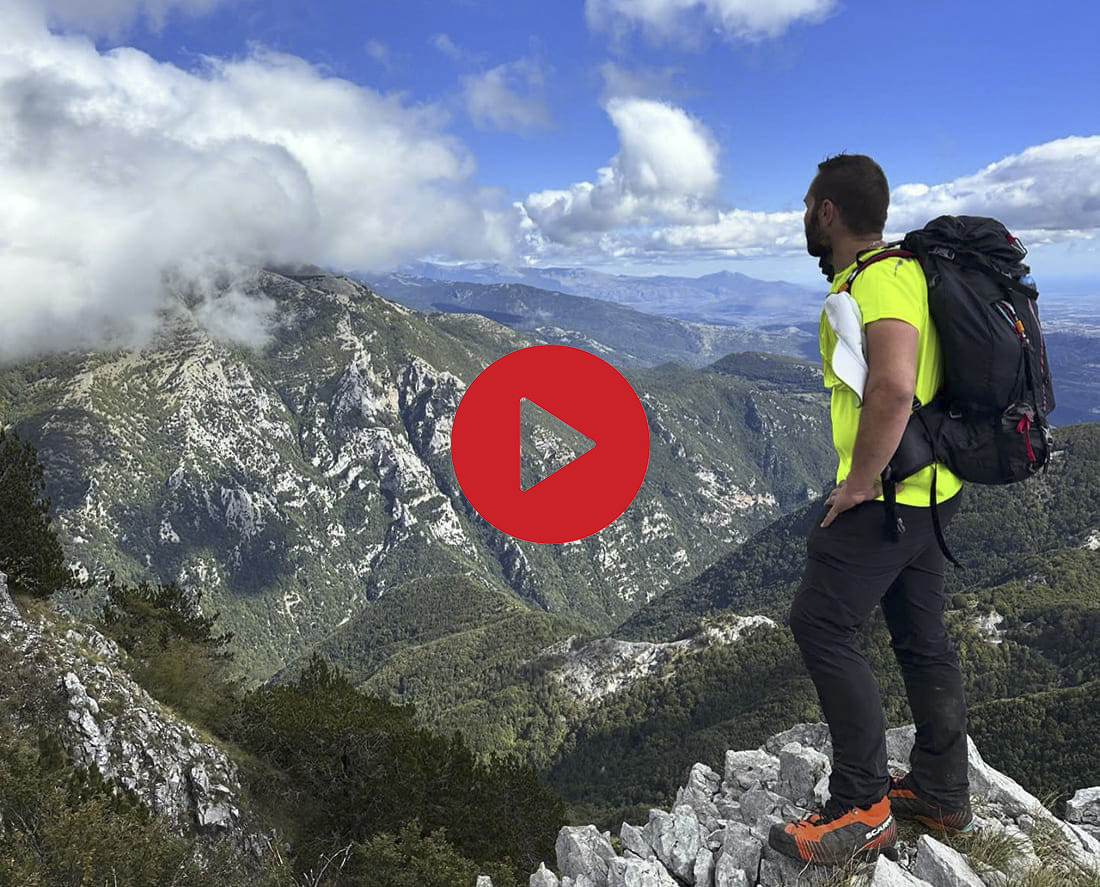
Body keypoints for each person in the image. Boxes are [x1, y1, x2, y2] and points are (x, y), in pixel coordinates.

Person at [768, 154, 973, 867]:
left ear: (828, 212)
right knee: (921, 639)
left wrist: (858, 481)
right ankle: (943, 788)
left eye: (806, 204)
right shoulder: (905, 271)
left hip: (886, 494)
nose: (803, 216)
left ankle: (862, 804)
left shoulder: (881, 280)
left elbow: (890, 389)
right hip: (928, 491)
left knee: (819, 620)